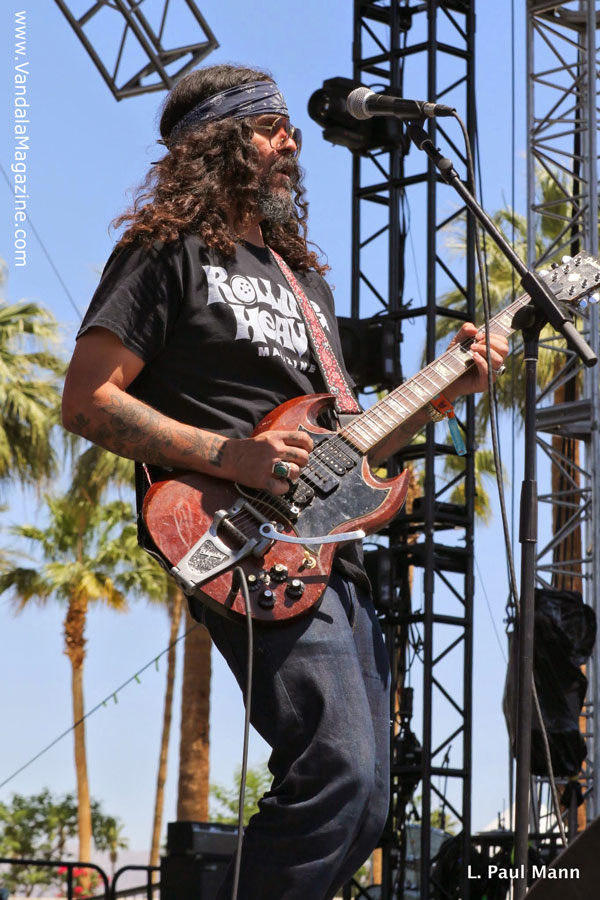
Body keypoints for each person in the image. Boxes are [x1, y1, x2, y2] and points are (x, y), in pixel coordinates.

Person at [62, 64, 508, 900]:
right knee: (337, 772)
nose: (292, 142)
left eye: (290, 130)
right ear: (218, 144)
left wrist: (447, 383)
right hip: (238, 536)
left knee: (365, 800)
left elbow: (349, 444)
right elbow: (87, 400)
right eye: (271, 128)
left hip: (327, 551)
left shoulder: (309, 286)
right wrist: (232, 455)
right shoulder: (166, 252)